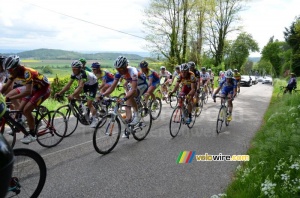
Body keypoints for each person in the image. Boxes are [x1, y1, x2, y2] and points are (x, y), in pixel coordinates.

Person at [1, 55, 51, 144]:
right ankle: (21, 124)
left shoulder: (27, 72)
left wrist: (10, 97)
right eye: (8, 70)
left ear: (17, 67)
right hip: (34, 88)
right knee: (20, 109)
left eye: (10, 70)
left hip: (43, 89)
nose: (9, 72)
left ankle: (32, 134)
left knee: (26, 110)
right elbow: (6, 87)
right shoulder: (14, 72)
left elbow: (28, 92)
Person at [101, 56, 148, 133]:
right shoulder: (119, 73)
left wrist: (124, 98)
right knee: (127, 103)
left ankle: (137, 115)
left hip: (142, 85)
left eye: (121, 68)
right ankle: (129, 123)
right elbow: (112, 87)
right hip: (134, 85)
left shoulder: (133, 71)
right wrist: (102, 95)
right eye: (117, 69)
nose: (119, 71)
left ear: (126, 66)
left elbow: (133, 89)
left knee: (129, 96)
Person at [54, 60, 99, 128]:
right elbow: (68, 85)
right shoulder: (74, 74)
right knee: (76, 91)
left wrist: (72, 95)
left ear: (80, 68)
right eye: (72, 68)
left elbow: (81, 86)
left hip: (93, 85)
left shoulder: (83, 74)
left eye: (75, 69)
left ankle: (95, 119)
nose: (73, 70)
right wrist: (60, 93)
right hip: (86, 84)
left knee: (89, 103)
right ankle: (81, 106)